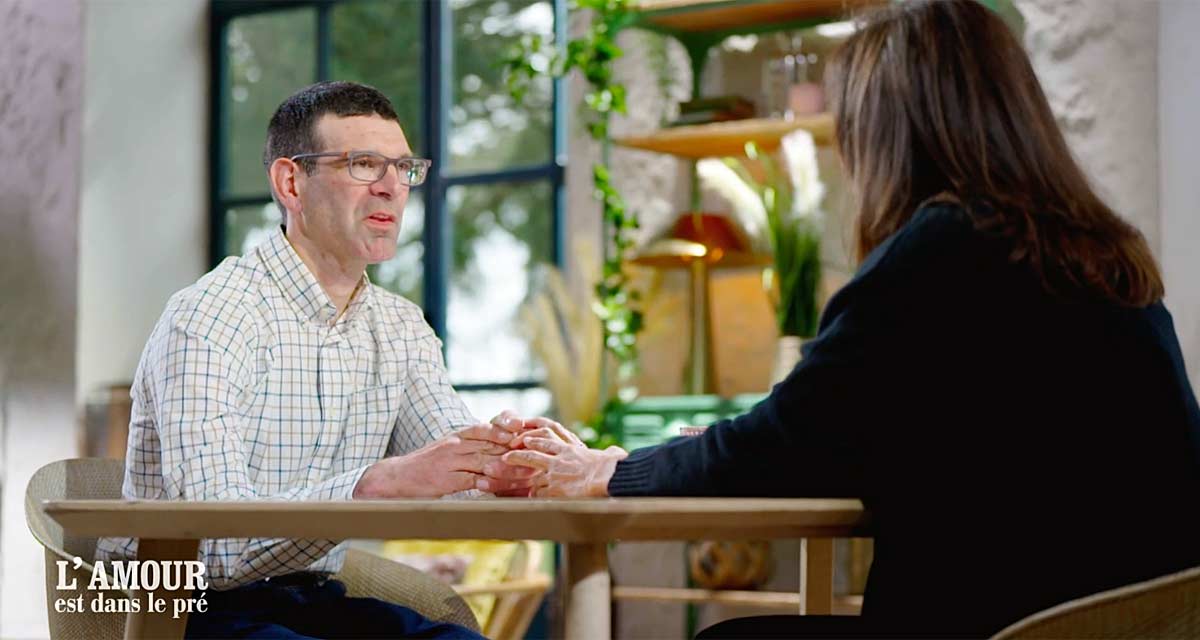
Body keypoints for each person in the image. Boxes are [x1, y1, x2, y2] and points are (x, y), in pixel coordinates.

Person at [497, 1, 1200, 637]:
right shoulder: (1106, 256)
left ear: (892, 134)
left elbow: (780, 445)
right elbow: (959, 435)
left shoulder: (942, 248)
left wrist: (614, 472)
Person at [97, 81, 535, 639]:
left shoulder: (399, 327)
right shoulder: (208, 316)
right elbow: (218, 542)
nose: (391, 188)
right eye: (363, 164)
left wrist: (515, 461)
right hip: (184, 609)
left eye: (403, 168)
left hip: (312, 599)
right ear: (290, 182)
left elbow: (451, 460)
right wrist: (375, 485)